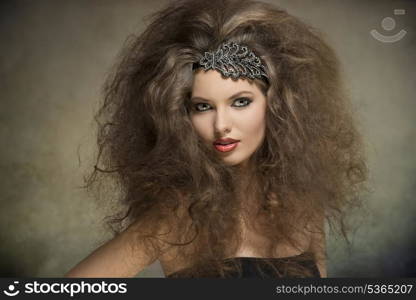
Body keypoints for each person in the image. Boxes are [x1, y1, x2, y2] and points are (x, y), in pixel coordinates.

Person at [65, 0, 368, 278]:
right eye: (203, 107)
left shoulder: (303, 207)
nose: (221, 125)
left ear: (277, 105)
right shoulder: (176, 219)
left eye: (240, 102)